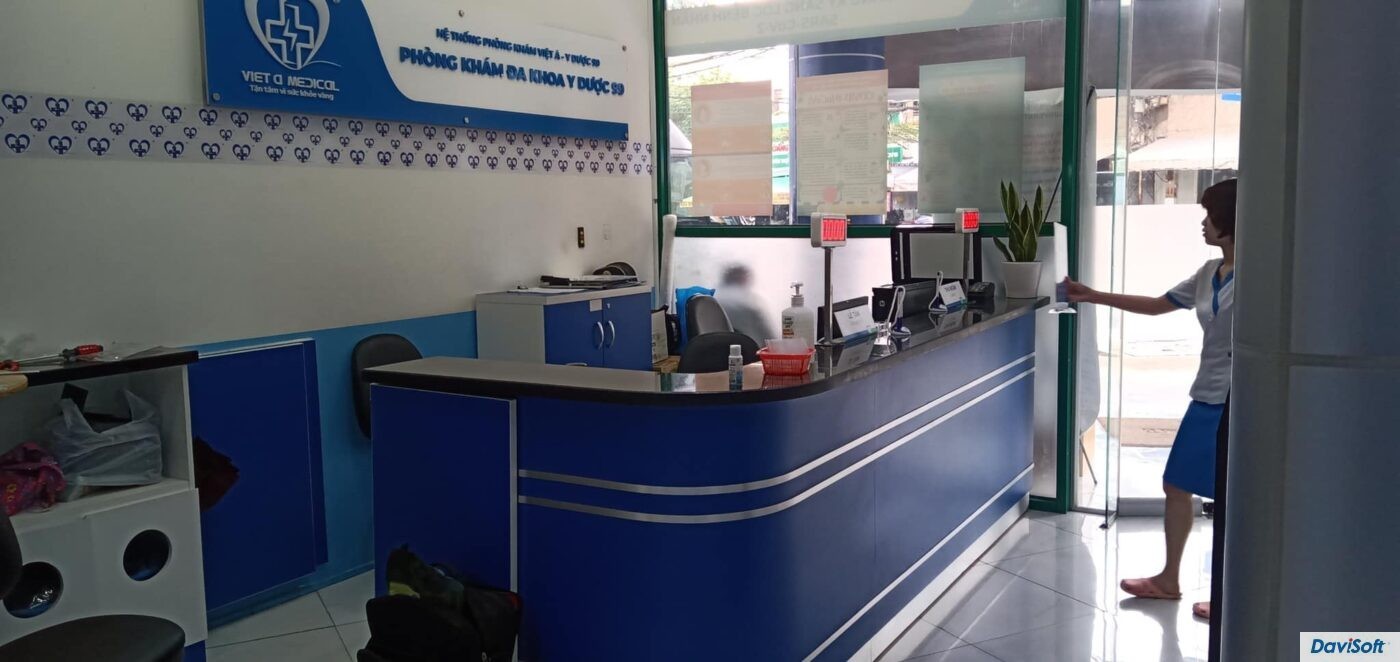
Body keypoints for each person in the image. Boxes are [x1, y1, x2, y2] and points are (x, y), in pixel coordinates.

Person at [1063, 178, 1237, 620]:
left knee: (1235, 495)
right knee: (1176, 484)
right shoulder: (1209, 273)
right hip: (1207, 395)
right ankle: (1169, 579)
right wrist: (1093, 296)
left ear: (1230, 220)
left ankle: (1232, 595)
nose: (1203, 223)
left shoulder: (1262, 274)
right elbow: (1159, 304)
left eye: (1209, 215)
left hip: (1240, 399)